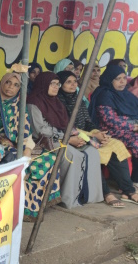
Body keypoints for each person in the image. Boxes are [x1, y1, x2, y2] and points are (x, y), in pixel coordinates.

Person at [0, 71, 60, 217]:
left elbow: (26, 131)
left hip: (17, 144)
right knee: (21, 162)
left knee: (49, 158)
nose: (11, 87)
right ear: (2, 82)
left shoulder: (19, 104)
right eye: (8, 82)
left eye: (16, 85)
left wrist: (27, 150)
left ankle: (32, 206)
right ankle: (18, 208)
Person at [57, 70, 136, 204]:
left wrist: (97, 133)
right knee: (91, 153)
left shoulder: (77, 99)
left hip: (88, 134)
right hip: (71, 136)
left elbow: (88, 122)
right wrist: (92, 135)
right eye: (68, 82)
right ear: (61, 85)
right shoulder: (58, 102)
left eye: (75, 81)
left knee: (115, 146)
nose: (73, 85)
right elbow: (65, 127)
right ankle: (106, 192)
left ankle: (128, 190)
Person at [27, 72, 103, 208]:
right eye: (52, 84)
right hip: (42, 142)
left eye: (58, 84)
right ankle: (68, 198)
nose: (56, 87)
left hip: (62, 137)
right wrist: (67, 139)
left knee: (92, 151)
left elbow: (66, 124)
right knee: (72, 155)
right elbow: (40, 130)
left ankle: (89, 195)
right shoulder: (34, 102)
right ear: (43, 84)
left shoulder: (56, 102)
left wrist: (76, 137)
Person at [90, 63, 138, 181]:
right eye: (118, 79)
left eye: (124, 78)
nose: (122, 81)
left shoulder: (127, 95)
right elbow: (110, 120)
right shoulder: (104, 94)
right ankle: (134, 179)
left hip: (129, 128)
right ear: (110, 80)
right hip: (109, 131)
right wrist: (133, 126)